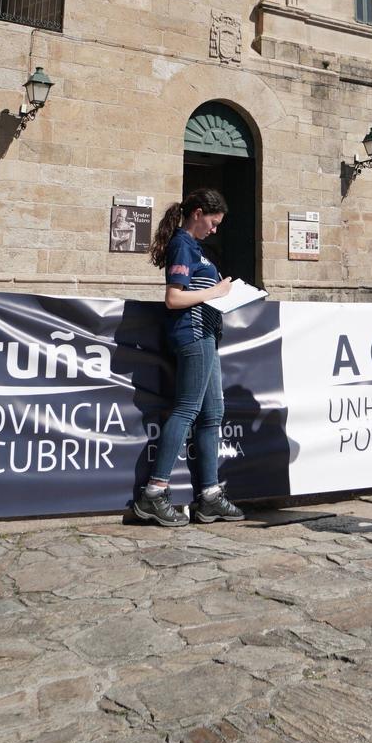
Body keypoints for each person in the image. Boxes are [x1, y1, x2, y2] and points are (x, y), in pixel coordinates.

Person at [132, 188, 246, 527]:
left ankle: (209, 495)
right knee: (187, 410)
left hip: (206, 335)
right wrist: (218, 291)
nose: (215, 230)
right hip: (193, 335)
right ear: (197, 213)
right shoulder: (182, 243)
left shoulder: (196, 247)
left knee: (213, 414)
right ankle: (153, 492)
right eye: (212, 222)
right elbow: (174, 299)